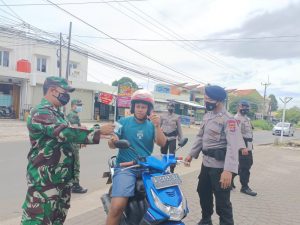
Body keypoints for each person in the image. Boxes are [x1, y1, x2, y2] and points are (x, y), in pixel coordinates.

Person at [21, 76, 115, 225]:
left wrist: (77, 143)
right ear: (52, 90)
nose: (67, 96)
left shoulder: (58, 113)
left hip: (61, 179)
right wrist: (97, 130)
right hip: (45, 181)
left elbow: (63, 138)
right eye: (64, 92)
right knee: (38, 220)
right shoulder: (40, 112)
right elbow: (63, 132)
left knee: (57, 219)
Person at [184, 85, 245, 225]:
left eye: (208, 99)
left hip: (220, 168)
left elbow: (232, 146)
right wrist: (191, 155)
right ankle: (206, 219)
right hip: (206, 164)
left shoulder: (228, 119)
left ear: (218, 100)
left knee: (222, 202)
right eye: (205, 98)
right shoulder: (207, 116)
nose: (206, 101)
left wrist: (228, 171)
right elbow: (200, 137)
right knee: (203, 192)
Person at [105, 89, 167, 225]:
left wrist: (157, 126)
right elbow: (112, 143)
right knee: (117, 207)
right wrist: (113, 140)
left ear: (149, 109)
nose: (140, 110)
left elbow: (162, 143)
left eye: (143, 107)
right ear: (133, 107)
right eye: (138, 106)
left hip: (147, 167)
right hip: (126, 167)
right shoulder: (122, 121)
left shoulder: (152, 125)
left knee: (163, 199)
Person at [232, 100, 257, 196]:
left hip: (248, 143)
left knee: (247, 163)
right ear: (238, 107)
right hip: (243, 144)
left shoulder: (246, 118)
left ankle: (230, 180)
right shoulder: (237, 119)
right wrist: (243, 147)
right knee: (245, 166)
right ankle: (244, 187)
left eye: (247, 107)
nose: (245, 109)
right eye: (243, 107)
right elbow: (236, 135)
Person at [67, 99, 88, 194]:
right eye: (78, 105)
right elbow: (75, 129)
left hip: (72, 142)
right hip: (73, 144)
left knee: (72, 164)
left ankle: (71, 184)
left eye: (81, 105)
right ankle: (75, 185)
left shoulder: (72, 115)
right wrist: (83, 129)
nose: (80, 107)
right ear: (73, 106)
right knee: (75, 164)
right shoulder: (73, 115)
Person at [160, 101, 183, 172]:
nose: (170, 108)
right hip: (164, 138)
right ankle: (163, 169)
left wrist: (181, 138)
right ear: (167, 107)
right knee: (163, 154)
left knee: (171, 155)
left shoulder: (177, 117)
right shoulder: (162, 116)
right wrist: (156, 136)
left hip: (172, 138)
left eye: (172, 107)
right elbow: (158, 127)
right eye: (169, 106)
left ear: (174, 108)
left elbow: (179, 128)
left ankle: (172, 170)